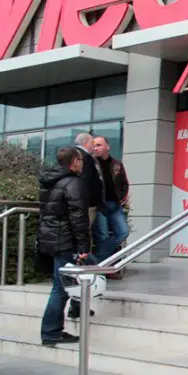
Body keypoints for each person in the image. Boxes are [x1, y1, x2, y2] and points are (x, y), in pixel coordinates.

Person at [37, 147, 91, 346]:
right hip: (64, 240)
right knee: (60, 288)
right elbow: (78, 217)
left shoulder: (49, 180)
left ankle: (76, 308)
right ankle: (51, 332)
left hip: (51, 238)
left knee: (65, 284)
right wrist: (84, 246)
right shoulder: (74, 182)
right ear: (75, 161)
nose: (83, 164)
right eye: (81, 160)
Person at [91, 136, 131, 262]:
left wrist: (122, 199)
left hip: (114, 205)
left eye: (99, 145)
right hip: (99, 206)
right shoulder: (91, 164)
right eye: (94, 146)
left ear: (108, 147)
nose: (96, 148)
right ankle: (100, 265)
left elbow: (125, 184)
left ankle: (96, 261)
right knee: (102, 236)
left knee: (123, 232)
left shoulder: (117, 164)